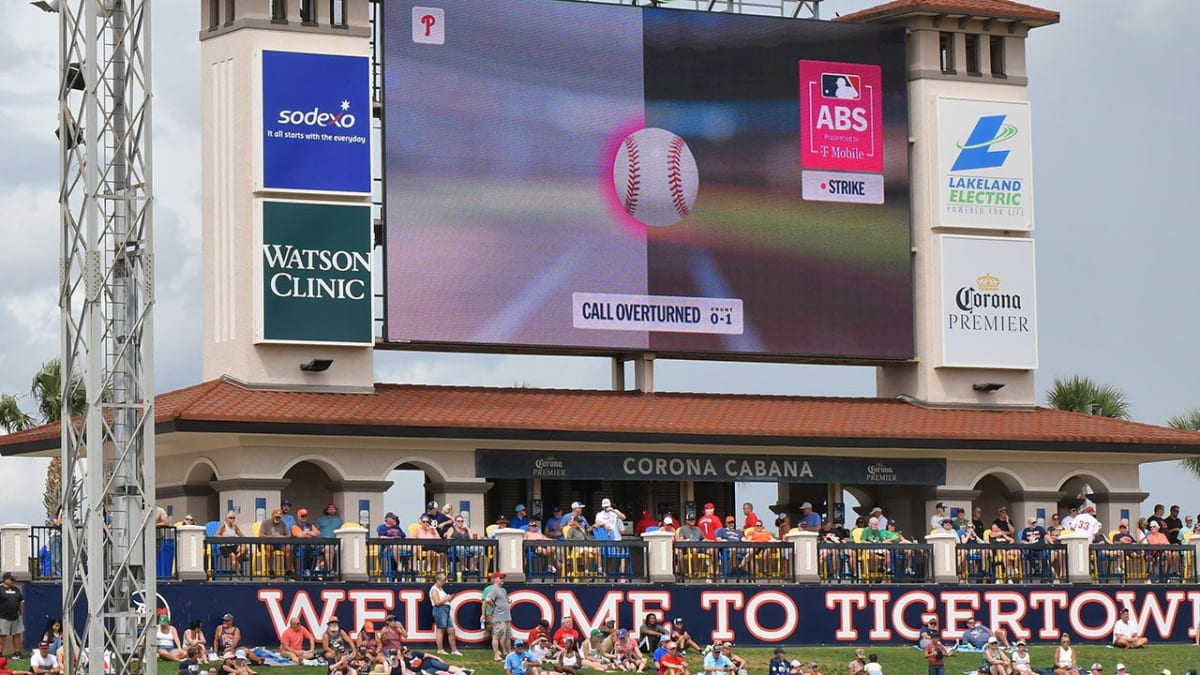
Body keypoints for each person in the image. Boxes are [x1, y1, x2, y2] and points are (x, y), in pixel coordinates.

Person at [428, 572, 460, 656]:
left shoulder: (440, 589)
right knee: (441, 629)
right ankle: (440, 649)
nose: (444, 583)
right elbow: (437, 602)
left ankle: (454, 650)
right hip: (439, 609)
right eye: (443, 581)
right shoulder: (434, 589)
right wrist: (447, 598)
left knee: (451, 630)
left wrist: (448, 599)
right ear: (438, 580)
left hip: (445, 610)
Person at [484, 572, 513, 661]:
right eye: (500, 578)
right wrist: (494, 606)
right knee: (497, 636)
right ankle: (496, 655)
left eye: (503, 578)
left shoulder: (501, 589)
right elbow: (488, 599)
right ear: (495, 579)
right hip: (499, 617)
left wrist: (507, 601)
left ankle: (509, 653)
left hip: (506, 617)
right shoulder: (494, 589)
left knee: (508, 636)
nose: (502, 580)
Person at [257, 508, 293, 576]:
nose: (277, 518)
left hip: (280, 543)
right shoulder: (265, 522)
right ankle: (271, 570)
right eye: (276, 517)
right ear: (272, 515)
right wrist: (270, 537)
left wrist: (282, 537)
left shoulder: (282, 523)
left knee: (289, 548)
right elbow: (260, 534)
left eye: (279, 517)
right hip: (270, 542)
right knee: (269, 548)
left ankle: (288, 570)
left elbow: (289, 535)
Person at [400, 645, 472, 675]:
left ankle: (462, 671)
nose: (408, 653)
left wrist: (438, 658)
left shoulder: (414, 653)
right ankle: (460, 673)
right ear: (403, 654)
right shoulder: (404, 661)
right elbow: (404, 670)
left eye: (408, 650)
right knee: (439, 673)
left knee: (445, 667)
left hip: (429, 662)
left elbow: (427, 655)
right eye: (405, 652)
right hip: (424, 669)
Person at [0, 572, 24, 659]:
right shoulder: (0, 588)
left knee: (17, 634)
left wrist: (21, 614)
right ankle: (0, 653)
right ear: (5, 579)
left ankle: (16, 653)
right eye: (11, 579)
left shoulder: (16, 589)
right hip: (2, 617)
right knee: (2, 635)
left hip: (15, 616)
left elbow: (20, 602)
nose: (13, 581)